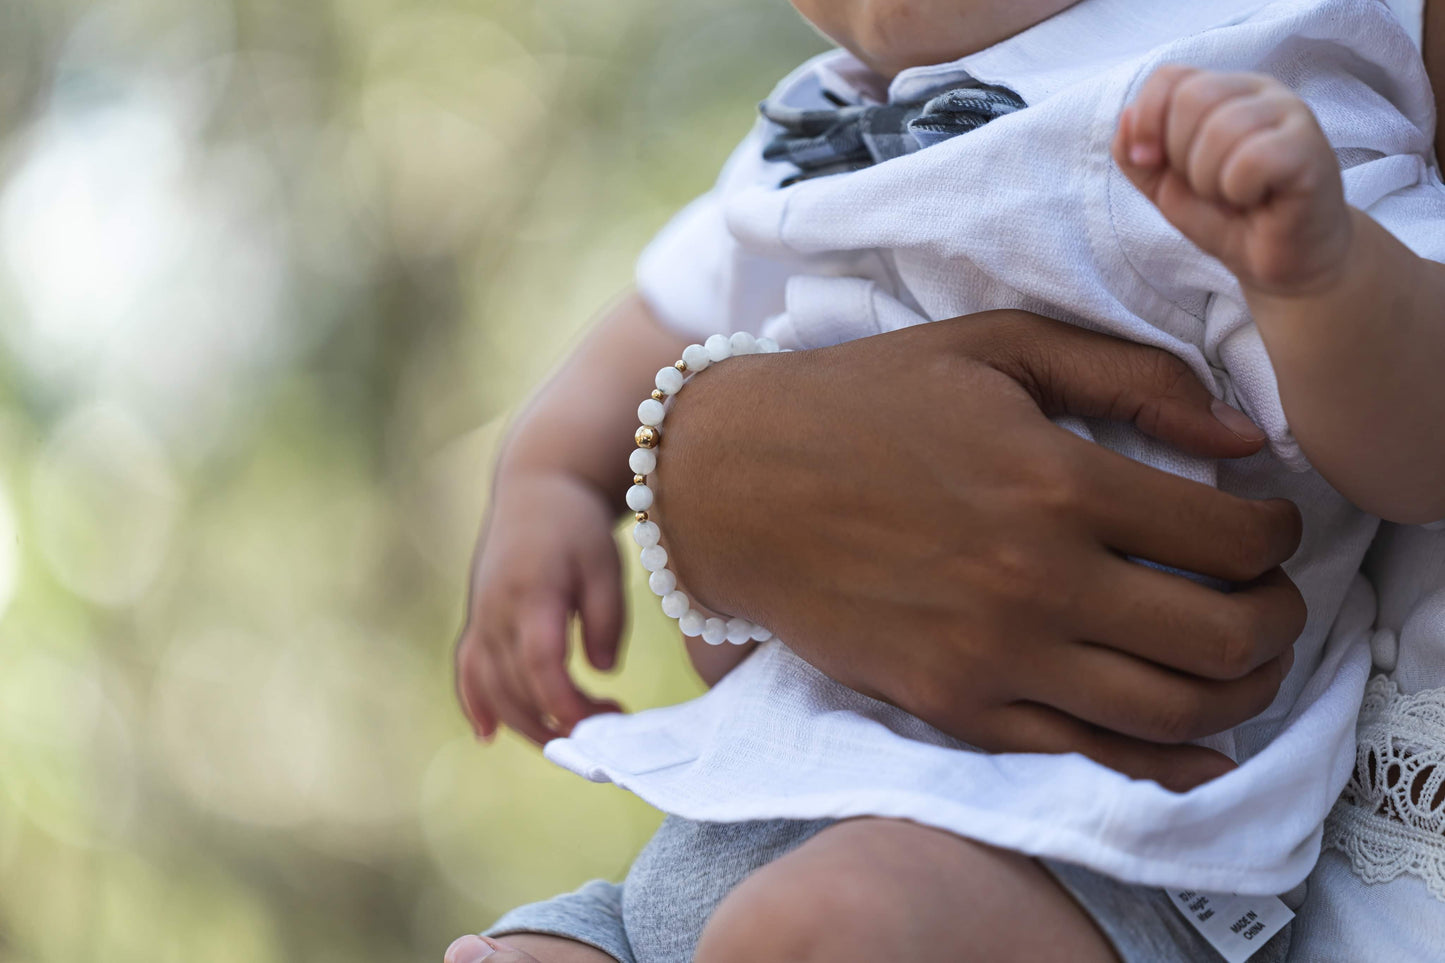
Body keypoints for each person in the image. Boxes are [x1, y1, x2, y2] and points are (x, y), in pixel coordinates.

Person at [448, 0, 1445, 960]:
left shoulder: (1238, 71)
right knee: (560, 935)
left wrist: (1318, 278)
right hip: (753, 797)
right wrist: (548, 486)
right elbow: (657, 318)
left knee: (819, 928)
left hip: (1073, 843)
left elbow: (1417, 454)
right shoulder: (814, 122)